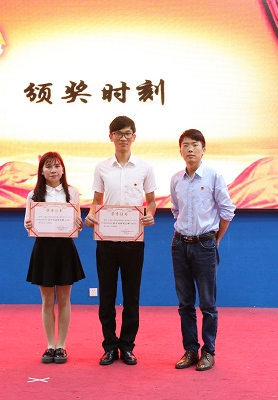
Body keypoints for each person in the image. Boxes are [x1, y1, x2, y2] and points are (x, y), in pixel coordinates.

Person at [84, 116, 157, 366]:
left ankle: (127, 347)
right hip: (106, 241)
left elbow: (151, 201)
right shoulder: (101, 168)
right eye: (118, 133)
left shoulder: (145, 168)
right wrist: (91, 215)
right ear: (111, 137)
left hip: (134, 241)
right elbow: (96, 201)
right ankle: (109, 346)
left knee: (131, 296)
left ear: (134, 137)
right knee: (106, 295)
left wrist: (149, 215)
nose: (123, 138)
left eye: (127, 133)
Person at [170, 129, 236, 371]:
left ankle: (209, 352)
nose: (190, 149)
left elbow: (227, 211)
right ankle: (190, 350)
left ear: (203, 149)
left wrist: (215, 239)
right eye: (186, 145)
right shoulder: (176, 179)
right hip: (180, 245)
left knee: (208, 304)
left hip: (205, 244)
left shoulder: (213, 176)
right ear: (180, 150)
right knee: (184, 303)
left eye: (195, 145)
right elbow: (176, 210)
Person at [24, 151, 86, 364]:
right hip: (43, 249)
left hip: (65, 249)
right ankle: (50, 345)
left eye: (57, 166)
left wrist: (79, 224)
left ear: (63, 169)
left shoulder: (72, 193)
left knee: (65, 299)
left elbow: (76, 221)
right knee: (48, 300)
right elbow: (27, 223)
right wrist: (29, 224)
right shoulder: (33, 196)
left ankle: (62, 346)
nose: (53, 170)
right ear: (41, 171)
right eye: (48, 166)